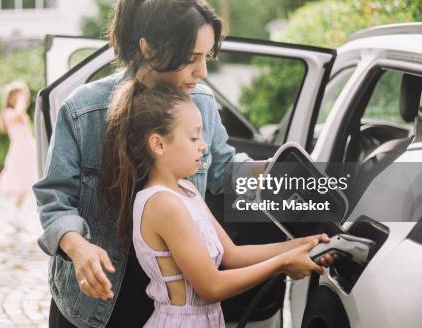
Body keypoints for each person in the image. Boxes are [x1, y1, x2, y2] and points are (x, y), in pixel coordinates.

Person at [33, 0, 332, 328]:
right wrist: (78, 247)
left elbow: (221, 169)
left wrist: (271, 171)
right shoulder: (84, 110)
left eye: (206, 57)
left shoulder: (202, 103)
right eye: (191, 59)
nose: (202, 72)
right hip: (96, 300)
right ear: (150, 49)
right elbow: (54, 199)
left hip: (170, 299)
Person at [99, 80, 332, 327]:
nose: (203, 145)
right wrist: (283, 264)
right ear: (159, 144)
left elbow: (232, 255)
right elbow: (211, 287)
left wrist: (302, 245)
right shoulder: (163, 204)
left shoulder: (186, 190)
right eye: (193, 137)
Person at [0, 81, 37, 232]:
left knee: (26, 184)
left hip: (27, 150)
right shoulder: (9, 114)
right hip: (19, 151)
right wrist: (21, 100)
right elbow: (18, 114)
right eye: (16, 95)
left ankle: (16, 214)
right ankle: (14, 214)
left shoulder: (19, 114)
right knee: (21, 184)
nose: (20, 99)